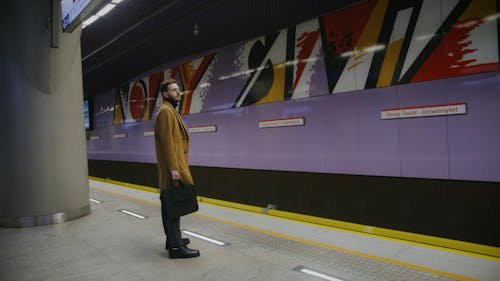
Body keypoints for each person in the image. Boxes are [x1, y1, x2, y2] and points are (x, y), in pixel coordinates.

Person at [154, 78, 200, 259]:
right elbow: (167, 143)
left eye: (178, 89)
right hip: (172, 169)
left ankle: (173, 239)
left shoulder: (171, 111)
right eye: (173, 90)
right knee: (172, 204)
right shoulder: (166, 112)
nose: (177, 92)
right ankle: (175, 246)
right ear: (165, 94)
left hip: (175, 166)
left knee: (171, 204)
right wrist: (174, 169)